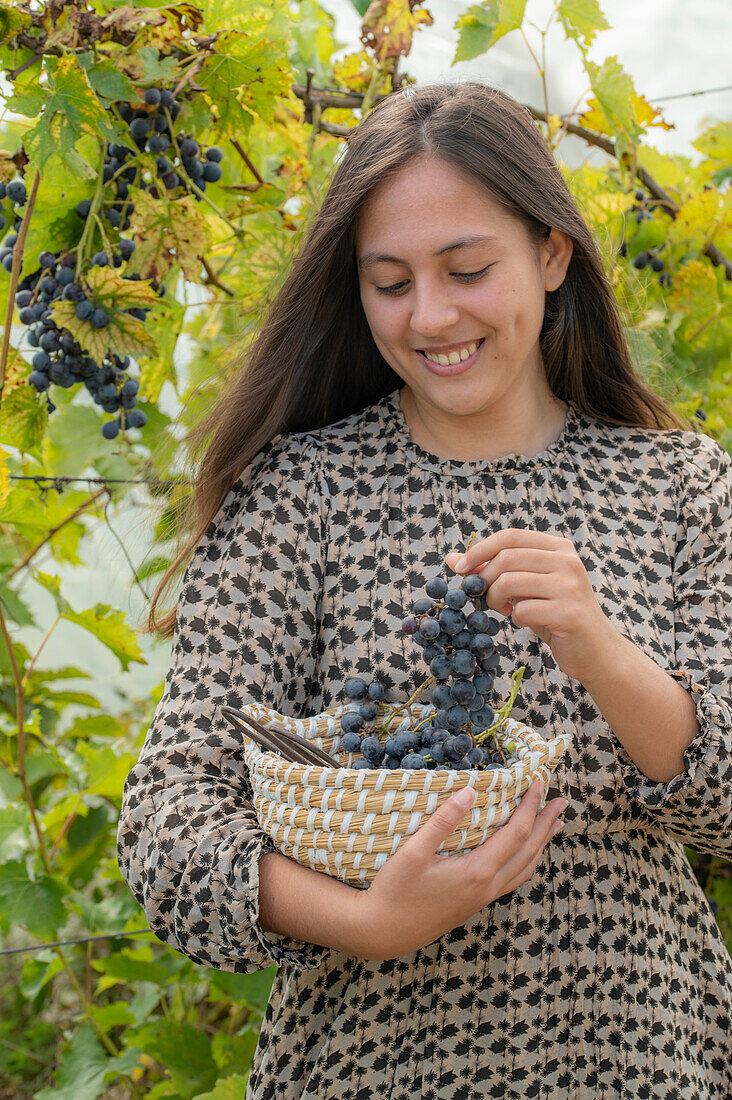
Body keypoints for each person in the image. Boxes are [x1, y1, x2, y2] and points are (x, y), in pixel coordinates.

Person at [117, 82, 732, 1098]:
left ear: (551, 253)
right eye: (390, 281)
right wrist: (366, 921)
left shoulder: (681, 485)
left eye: (467, 268)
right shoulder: (301, 492)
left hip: (647, 1065)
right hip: (369, 1071)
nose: (432, 314)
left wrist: (597, 644)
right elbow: (171, 819)